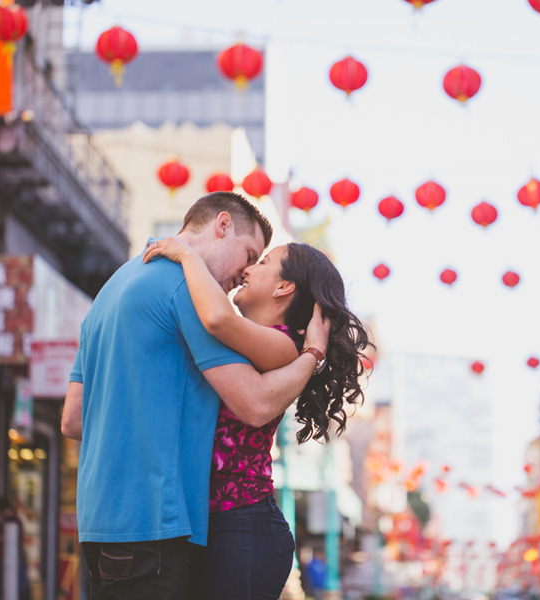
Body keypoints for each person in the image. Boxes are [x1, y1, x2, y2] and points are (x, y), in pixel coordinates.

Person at [61, 191, 331, 600]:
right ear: (222, 226)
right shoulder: (188, 291)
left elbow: (73, 419)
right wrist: (313, 354)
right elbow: (254, 402)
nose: (244, 272)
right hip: (154, 520)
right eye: (249, 253)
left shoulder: (112, 287)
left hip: (98, 520)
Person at [142, 236, 372, 599]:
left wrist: (189, 254)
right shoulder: (252, 341)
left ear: (284, 287)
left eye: (262, 262)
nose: (249, 269)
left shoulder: (282, 344)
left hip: (241, 528)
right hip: (220, 526)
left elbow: (217, 318)